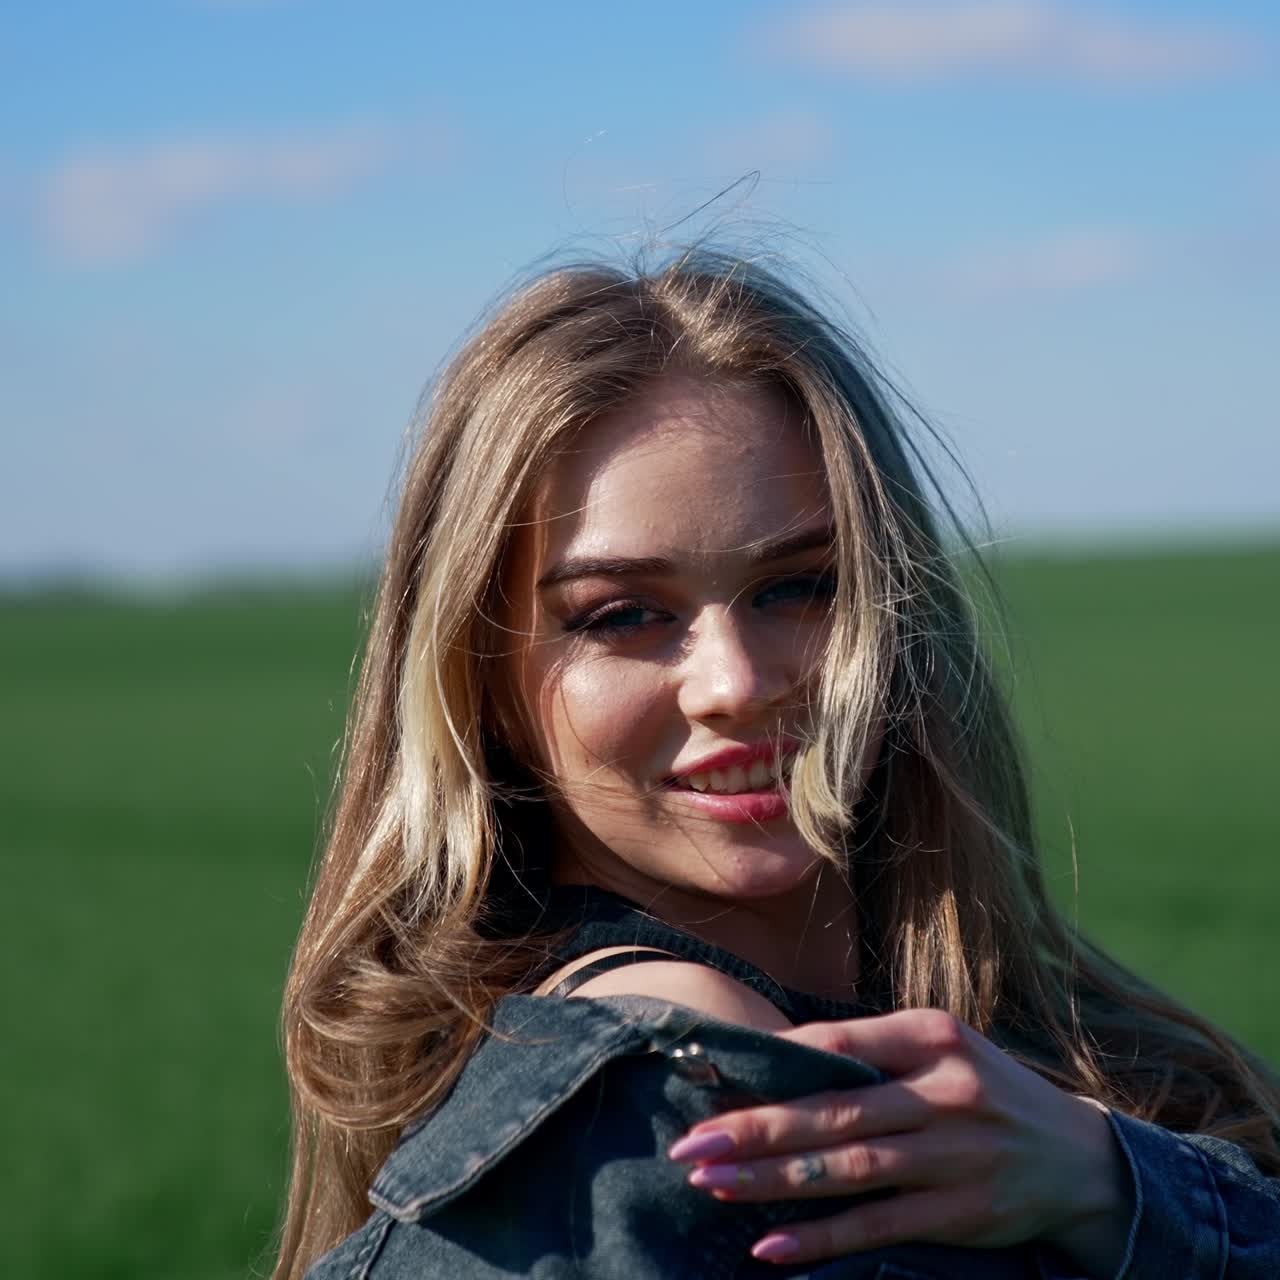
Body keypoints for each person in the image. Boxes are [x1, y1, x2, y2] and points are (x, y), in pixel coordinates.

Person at [273, 250, 1280, 1279]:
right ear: (475, 680)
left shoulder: (1043, 1044)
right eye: (622, 614)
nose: (734, 681)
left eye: (798, 586)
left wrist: (1110, 1183)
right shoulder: (654, 1080)